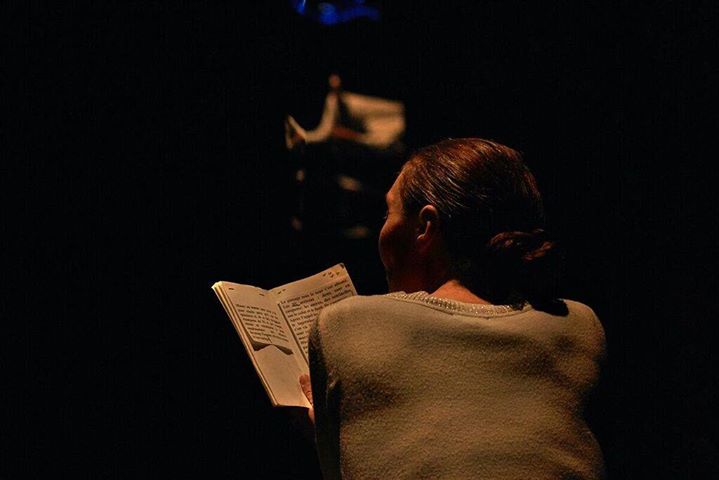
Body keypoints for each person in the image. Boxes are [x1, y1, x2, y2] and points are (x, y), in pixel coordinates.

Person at [299, 137, 606, 479]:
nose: (382, 229)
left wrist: (330, 430)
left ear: (424, 227)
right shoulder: (578, 326)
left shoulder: (347, 324)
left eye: (388, 212)